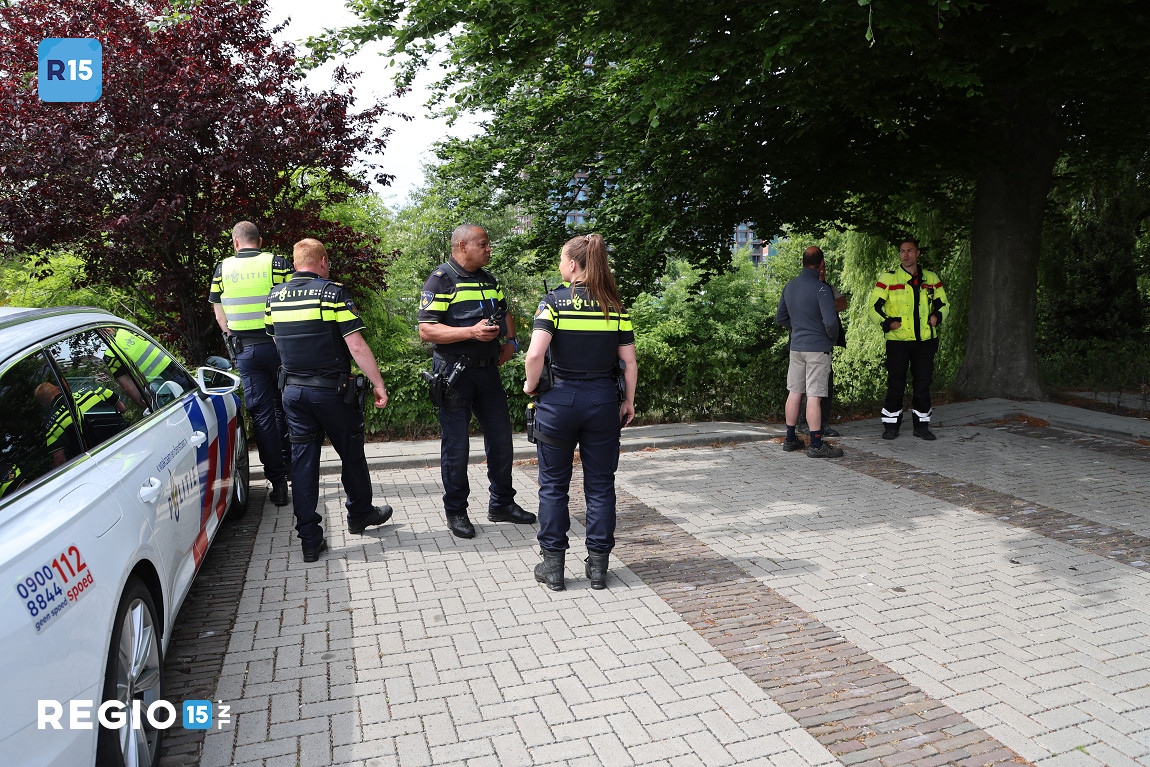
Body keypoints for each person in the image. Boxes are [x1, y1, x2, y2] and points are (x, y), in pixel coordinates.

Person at [265, 238, 393, 563]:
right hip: (332, 392)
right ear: (322, 261)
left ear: (295, 264)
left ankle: (310, 540)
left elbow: (276, 342)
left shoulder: (274, 297)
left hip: (292, 393)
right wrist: (378, 383)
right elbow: (357, 346)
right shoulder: (331, 292)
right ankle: (360, 514)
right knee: (351, 453)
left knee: (304, 464)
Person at [523, 233, 637, 591]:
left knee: (554, 486)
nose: (559, 266)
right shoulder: (615, 306)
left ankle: (554, 568)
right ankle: (599, 567)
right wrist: (628, 401)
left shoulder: (554, 303)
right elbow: (629, 363)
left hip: (558, 402)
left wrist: (530, 386)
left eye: (561, 260)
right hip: (603, 401)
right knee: (601, 486)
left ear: (573, 265)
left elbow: (534, 355)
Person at [417, 224, 535, 539]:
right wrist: (470, 332)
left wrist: (511, 342)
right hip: (454, 373)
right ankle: (456, 511)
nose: (488, 249)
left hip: (487, 372)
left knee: (501, 440)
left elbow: (504, 312)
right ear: (462, 246)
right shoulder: (441, 280)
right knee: (456, 447)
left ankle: (501, 504)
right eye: (483, 244)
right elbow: (427, 330)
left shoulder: (488, 279)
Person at [209, 221, 293, 507]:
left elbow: (219, 314)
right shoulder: (277, 263)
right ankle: (293, 466)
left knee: (263, 415)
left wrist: (231, 338)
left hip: (246, 350)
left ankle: (279, 484)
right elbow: (293, 301)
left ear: (235, 242)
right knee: (288, 406)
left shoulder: (222, 268)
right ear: (259, 240)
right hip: (280, 346)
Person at [868, 238, 949, 440]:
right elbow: (873, 309)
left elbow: (944, 304)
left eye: (910, 251)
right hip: (898, 341)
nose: (906, 255)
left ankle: (921, 426)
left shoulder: (931, 278)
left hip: (925, 341)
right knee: (896, 383)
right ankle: (891, 427)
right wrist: (888, 323)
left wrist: (937, 317)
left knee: (923, 384)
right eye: (902, 251)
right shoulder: (889, 278)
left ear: (917, 253)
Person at [775, 246, 843, 458]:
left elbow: (781, 318)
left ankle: (790, 439)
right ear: (821, 263)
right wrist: (829, 338)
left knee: (794, 392)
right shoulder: (821, 289)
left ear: (802, 262)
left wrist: (798, 329)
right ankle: (816, 444)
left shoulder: (790, 286)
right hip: (817, 348)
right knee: (814, 396)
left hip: (796, 347)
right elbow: (831, 322)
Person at [797, 258, 848, 436]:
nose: (822, 271)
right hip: (805, 344)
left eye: (824, 268)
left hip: (825, 344)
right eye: (819, 268)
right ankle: (804, 423)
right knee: (804, 386)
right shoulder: (801, 287)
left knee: (825, 385)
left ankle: (822, 423)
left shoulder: (827, 287)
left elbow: (843, 303)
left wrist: (821, 306)